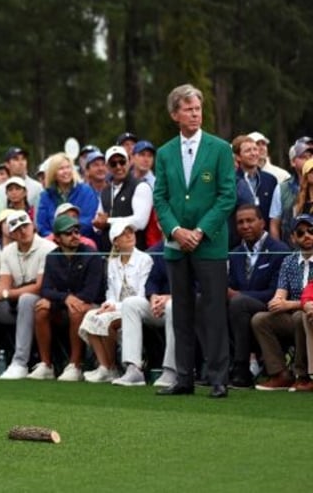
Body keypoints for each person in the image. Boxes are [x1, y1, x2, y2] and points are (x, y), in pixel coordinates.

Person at [153, 83, 236, 398]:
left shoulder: (220, 149)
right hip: (176, 246)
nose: (195, 114)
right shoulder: (164, 153)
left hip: (210, 244)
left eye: (198, 109)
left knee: (214, 311)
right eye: (188, 109)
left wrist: (200, 231)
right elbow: (161, 198)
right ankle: (184, 377)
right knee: (182, 312)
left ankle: (218, 378)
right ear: (175, 114)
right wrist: (176, 231)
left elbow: (227, 196)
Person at [0, 211, 56, 379]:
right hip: (16, 302)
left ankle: (20, 362)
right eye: (17, 229)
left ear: (33, 226)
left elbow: (39, 287)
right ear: (11, 234)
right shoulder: (8, 251)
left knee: (27, 299)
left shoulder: (47, 248)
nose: (23, 231)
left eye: (25, 226)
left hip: (44, 305)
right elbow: (4, 284)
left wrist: (5, 293)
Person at [29, 214, 105, 381]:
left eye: (77, 231)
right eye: (68, 233)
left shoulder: (92, 256)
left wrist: (64, 300)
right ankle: (46, 365)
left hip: (93, 305)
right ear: (57, 238)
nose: (75, 236)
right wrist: (64, 298)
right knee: (41, 309)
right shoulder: (52, 257)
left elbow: (90, 293)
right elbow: (46, 289)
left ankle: (75, 365)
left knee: (76, 310)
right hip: (65, 304)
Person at [79, 222, 152, 383]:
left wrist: (115, 306)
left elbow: (142, 294)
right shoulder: (113, 263)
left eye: (131, 232)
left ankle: (113, 367)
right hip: (118, 306)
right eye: (124, 233)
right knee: (92, 315)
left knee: (106, 321)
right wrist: (108, 304)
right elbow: (111, 291)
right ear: (115, 242)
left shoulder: (145, 259)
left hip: (138, 307)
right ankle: (106, 367)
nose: (129, 235)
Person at [226, 204, 289, 388]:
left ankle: (241, 368)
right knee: (209, 301)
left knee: (238, 302)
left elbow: (276, 292)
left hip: (271, 308)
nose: (245, 226)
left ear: (262, 222)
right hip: (240, 309)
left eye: (250, 220)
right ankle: (212, 365)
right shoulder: (236, 253)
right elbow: (230, 285)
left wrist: (238, 294)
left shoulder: (279, 250)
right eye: (240, 222)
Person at [251, 214, 311, 391]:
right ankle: (280, 373)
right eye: (300, 233)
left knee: (301, 316)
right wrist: (277, 301)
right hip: (293, 318)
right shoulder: (289, 261)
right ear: (292, 238)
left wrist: (290, 305)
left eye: (311, 231)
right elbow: (280, 295)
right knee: (260, 319)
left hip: (308, 316)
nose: (306, 235)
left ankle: (304, 375)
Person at [112, 241, 178, 388]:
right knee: (130, 303)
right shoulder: (157, 250)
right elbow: (151, 281)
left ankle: (171, 370)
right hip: (159, 304)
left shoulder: (191, 246)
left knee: (172, 306)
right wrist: (153, 297)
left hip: (184, 303)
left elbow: (196, 284)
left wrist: (170, 296)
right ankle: (133, 369)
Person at [93, 146, 152, 252]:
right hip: (109, 253)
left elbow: (140, 222)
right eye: (113, 163)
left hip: (135, 254)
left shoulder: (141, 186)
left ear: (129, 162)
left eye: (122, 162)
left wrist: (108, 221)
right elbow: (98, 220)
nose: (118, 166)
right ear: (107, 167)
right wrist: (97, 224)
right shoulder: (105, 191)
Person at [36, 152, 98, 237]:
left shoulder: (86, 191)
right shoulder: (46, 196)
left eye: (68, 167)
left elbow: (89, 220)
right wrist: (57, 238)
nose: (66, 171)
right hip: (54, 243)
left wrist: (68, 235)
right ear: (53, 173)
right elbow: (42, 226)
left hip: (81, 240)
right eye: (61, 169)